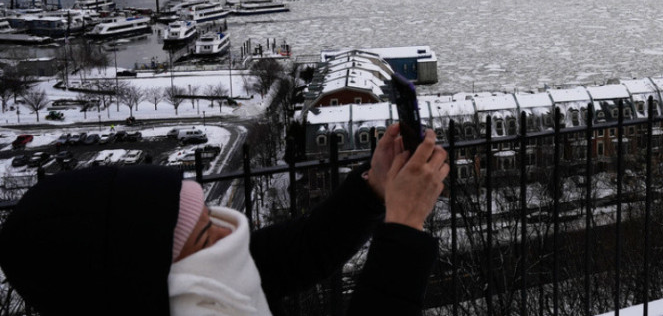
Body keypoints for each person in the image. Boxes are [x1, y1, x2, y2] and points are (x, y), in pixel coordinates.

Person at [0, 125, 449, 315]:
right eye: (202, 233)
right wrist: (403, 227)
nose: (226, 235)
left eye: (208, 213)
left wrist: (372, 190)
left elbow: (298, 253)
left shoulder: (205, 290)